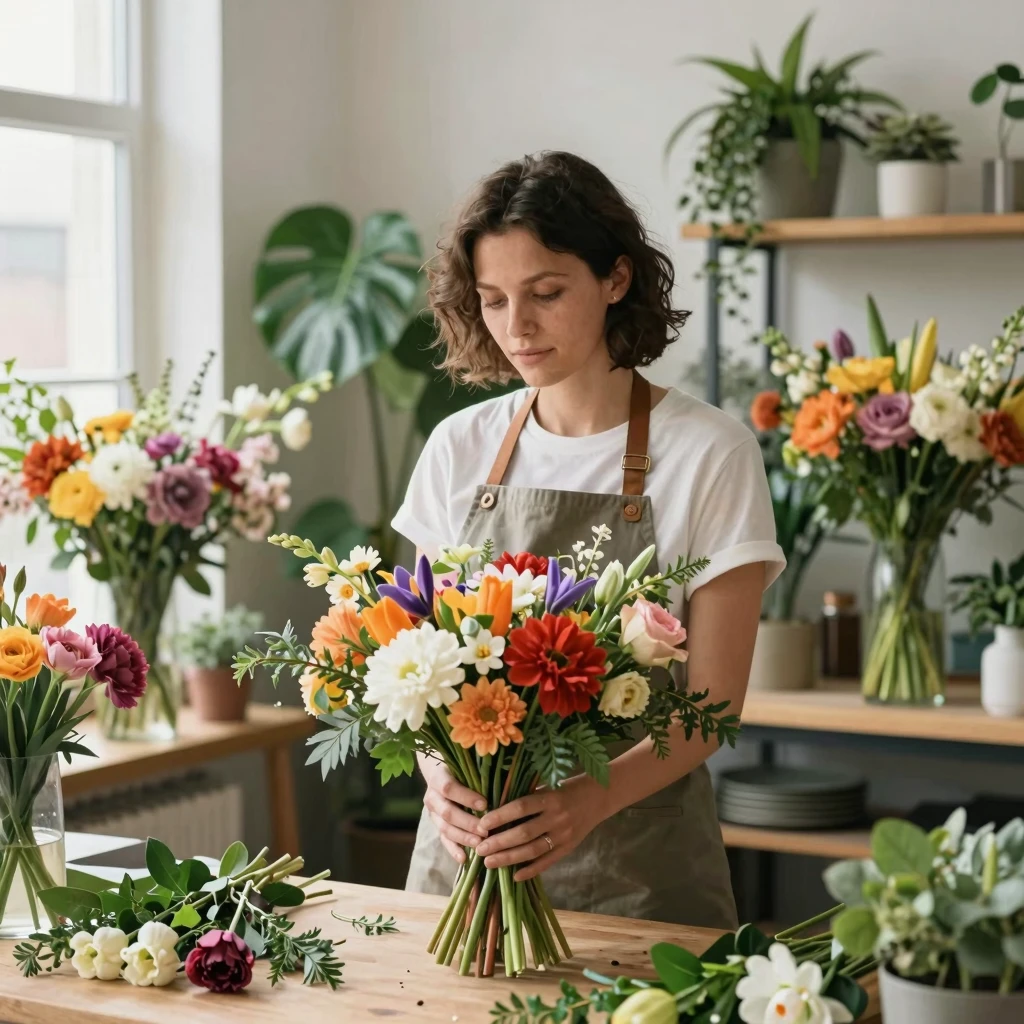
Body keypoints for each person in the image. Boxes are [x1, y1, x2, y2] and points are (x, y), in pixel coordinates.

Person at [391, 150, 784, 929]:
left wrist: (588, 800)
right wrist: (440, 778)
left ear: (616, 278)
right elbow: (418, 667)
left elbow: (712, 706)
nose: (517, 327)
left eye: (546, 293)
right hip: (465, 871)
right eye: (493, 300)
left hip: (639, 880)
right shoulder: (458, 447)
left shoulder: (710, 453)